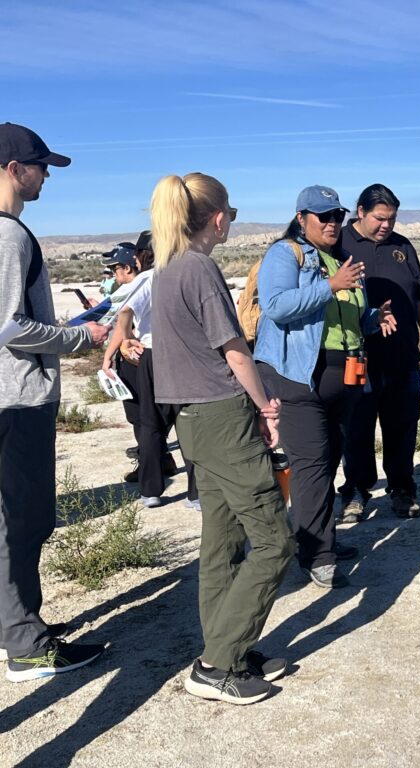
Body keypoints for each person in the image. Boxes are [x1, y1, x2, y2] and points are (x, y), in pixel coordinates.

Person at [149, 172, 292, 705]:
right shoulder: (200, 268)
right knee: (275, 541)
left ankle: (228, 647)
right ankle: (217, 664)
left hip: (192, 422)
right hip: (223, 418)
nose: (232, 219)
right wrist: (265, 407)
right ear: (216, 217)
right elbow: (233, 350)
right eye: (230, 211)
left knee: (223, 542)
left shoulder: (165, 268)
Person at [0, 122, 108, 681]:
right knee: (24, 518)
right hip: (17, 401)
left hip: (12, 399)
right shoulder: (10, 235)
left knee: (12, 518)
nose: (46, 177)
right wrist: (78, 337)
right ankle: (24, 644)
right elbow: (9, 328)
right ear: (15, 170)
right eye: (41, 166)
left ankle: (17, 624)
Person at [254, 185, 396, 589]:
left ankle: (318, 540)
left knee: (330, 458)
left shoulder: (338, 260)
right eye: (323, 216)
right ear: (302, 219)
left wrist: (372, 318)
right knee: (312, 468)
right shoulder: (286, 254)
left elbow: (344, 320)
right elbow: (277, 305)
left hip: (346, 377)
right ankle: (319, 556)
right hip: (301, 378)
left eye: (337, 216)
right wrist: (330, 287)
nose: (333, 223)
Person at [338, 184, 420, 521]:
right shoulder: (338, 243)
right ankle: (356, 490)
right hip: (358, 357)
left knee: (402, 426)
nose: (386, 225)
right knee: (356, 428)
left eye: (392, 219)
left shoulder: (403, 246)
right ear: (360, 211)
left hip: (402, 357)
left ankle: (401, 489)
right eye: (380, 218)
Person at [102, 231, 192, 508]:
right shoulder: (186, 272)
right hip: (185, 355)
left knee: (151, 424)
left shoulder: (146, 278)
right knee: (188, 424)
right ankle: (198, 492)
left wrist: (123, 340)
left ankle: (151, 488)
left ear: (140, 257)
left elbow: (126, 312)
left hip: (152, 354)